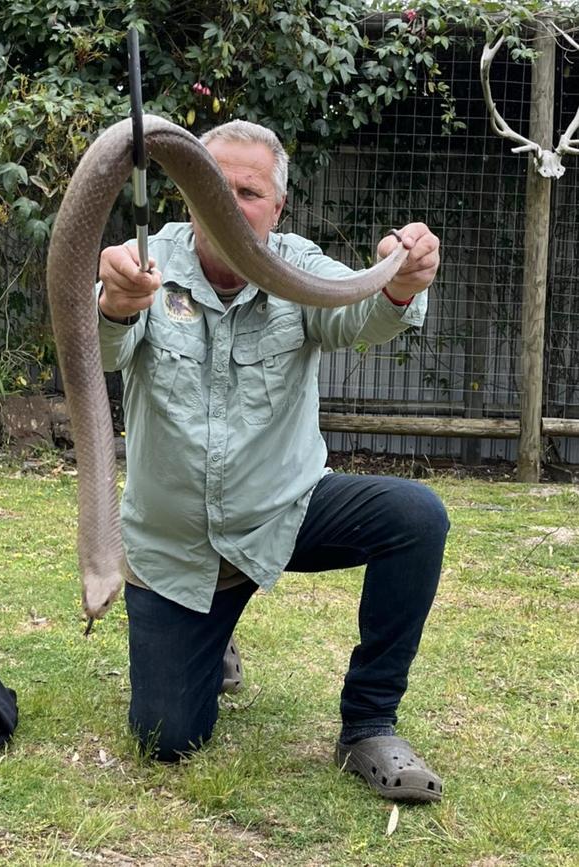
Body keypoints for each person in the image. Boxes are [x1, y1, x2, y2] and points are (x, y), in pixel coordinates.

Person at [96, 119, 448, 803]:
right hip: (178, 546)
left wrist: (400, 280)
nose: (227, 204)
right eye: (212, 187)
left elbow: (360, 315)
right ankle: (212, 637)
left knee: (416, 517)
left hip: (282, 509)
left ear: (277, 208)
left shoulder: (296, 266)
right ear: (187, 196)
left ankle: (368, 723)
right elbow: (101, 350)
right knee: (165, 740)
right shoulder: (147, 264)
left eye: (248, 192)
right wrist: (114, 304)